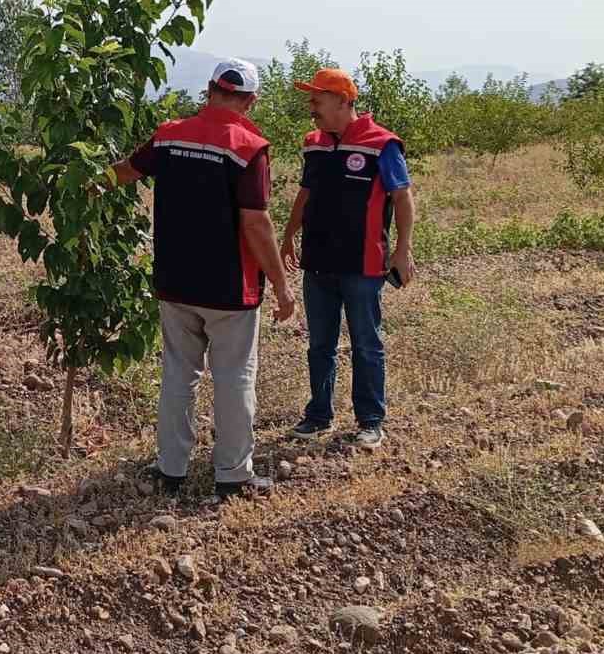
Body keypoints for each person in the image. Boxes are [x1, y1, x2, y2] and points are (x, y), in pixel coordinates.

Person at [108, 59, 297, 499]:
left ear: (209, 89)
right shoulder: (249, 146)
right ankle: (232, 474)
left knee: (178, 374)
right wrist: (283, 286)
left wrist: (81, 183)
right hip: (229, 288)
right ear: (250, 100)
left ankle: (170, 469)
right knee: (234, 378)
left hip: (175, 279)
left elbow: (125, 171)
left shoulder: (170, 134)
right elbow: (255, 222)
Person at [279, 67, 415, 448]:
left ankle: (371, 420)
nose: (311, 106)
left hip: (363, 264)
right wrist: (289, 235)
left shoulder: (382, 144)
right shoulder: (314, 143)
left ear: (342, 101)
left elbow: (402, 198)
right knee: (319, 343)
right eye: (310, 99)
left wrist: (402, 251)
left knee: (365, 344)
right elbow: (306, 192)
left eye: (316, 99)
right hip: (318, 260)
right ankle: (318, 415)